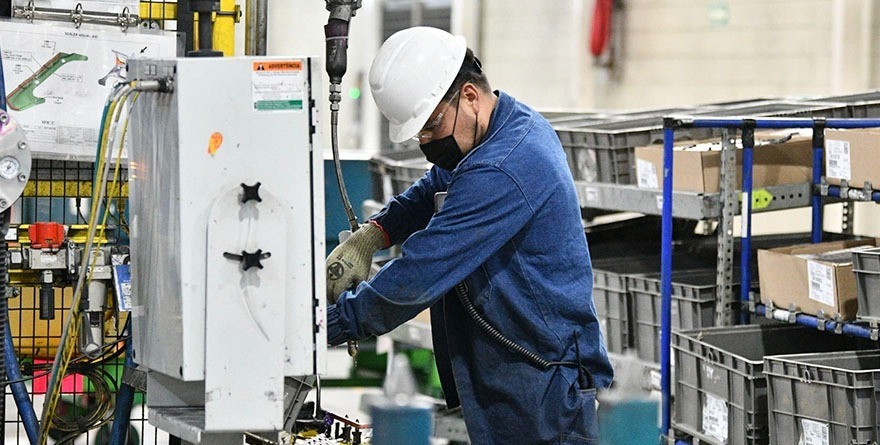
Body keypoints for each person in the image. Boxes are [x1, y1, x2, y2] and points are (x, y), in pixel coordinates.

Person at [325, 26, 613, 444]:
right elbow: (432, 188)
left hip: (546, 387)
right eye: (420, 133)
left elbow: (420, 272)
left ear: (471, 96)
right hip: (516, 370)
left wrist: (327, 327)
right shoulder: (499, 128)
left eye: (431, 126)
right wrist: (374, 234)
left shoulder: (504, 165)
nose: (426, 142)